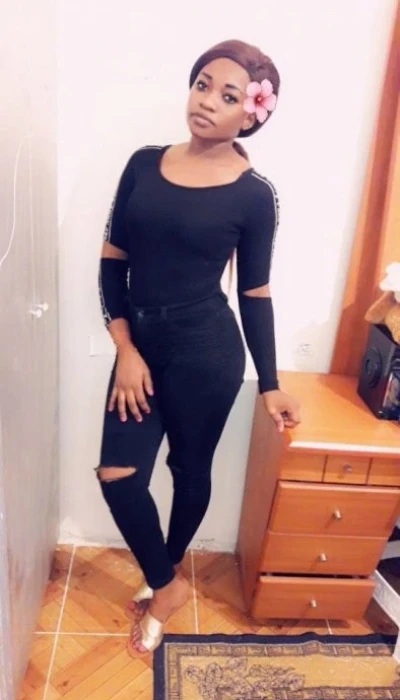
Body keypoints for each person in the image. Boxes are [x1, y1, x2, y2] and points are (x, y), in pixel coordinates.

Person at [96, 39, 301, 657]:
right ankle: (167, 587)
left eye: (229, 95)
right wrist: (125, 349)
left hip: (205, 352)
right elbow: (112, 264)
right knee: (118, 475)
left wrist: (270, 383)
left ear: (252, 114)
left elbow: (255, 294)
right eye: (202, 84)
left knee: (189, 471)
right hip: (140, 348)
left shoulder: (255, 194)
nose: (207, 101)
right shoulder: (141, 164)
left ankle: (167, 568)